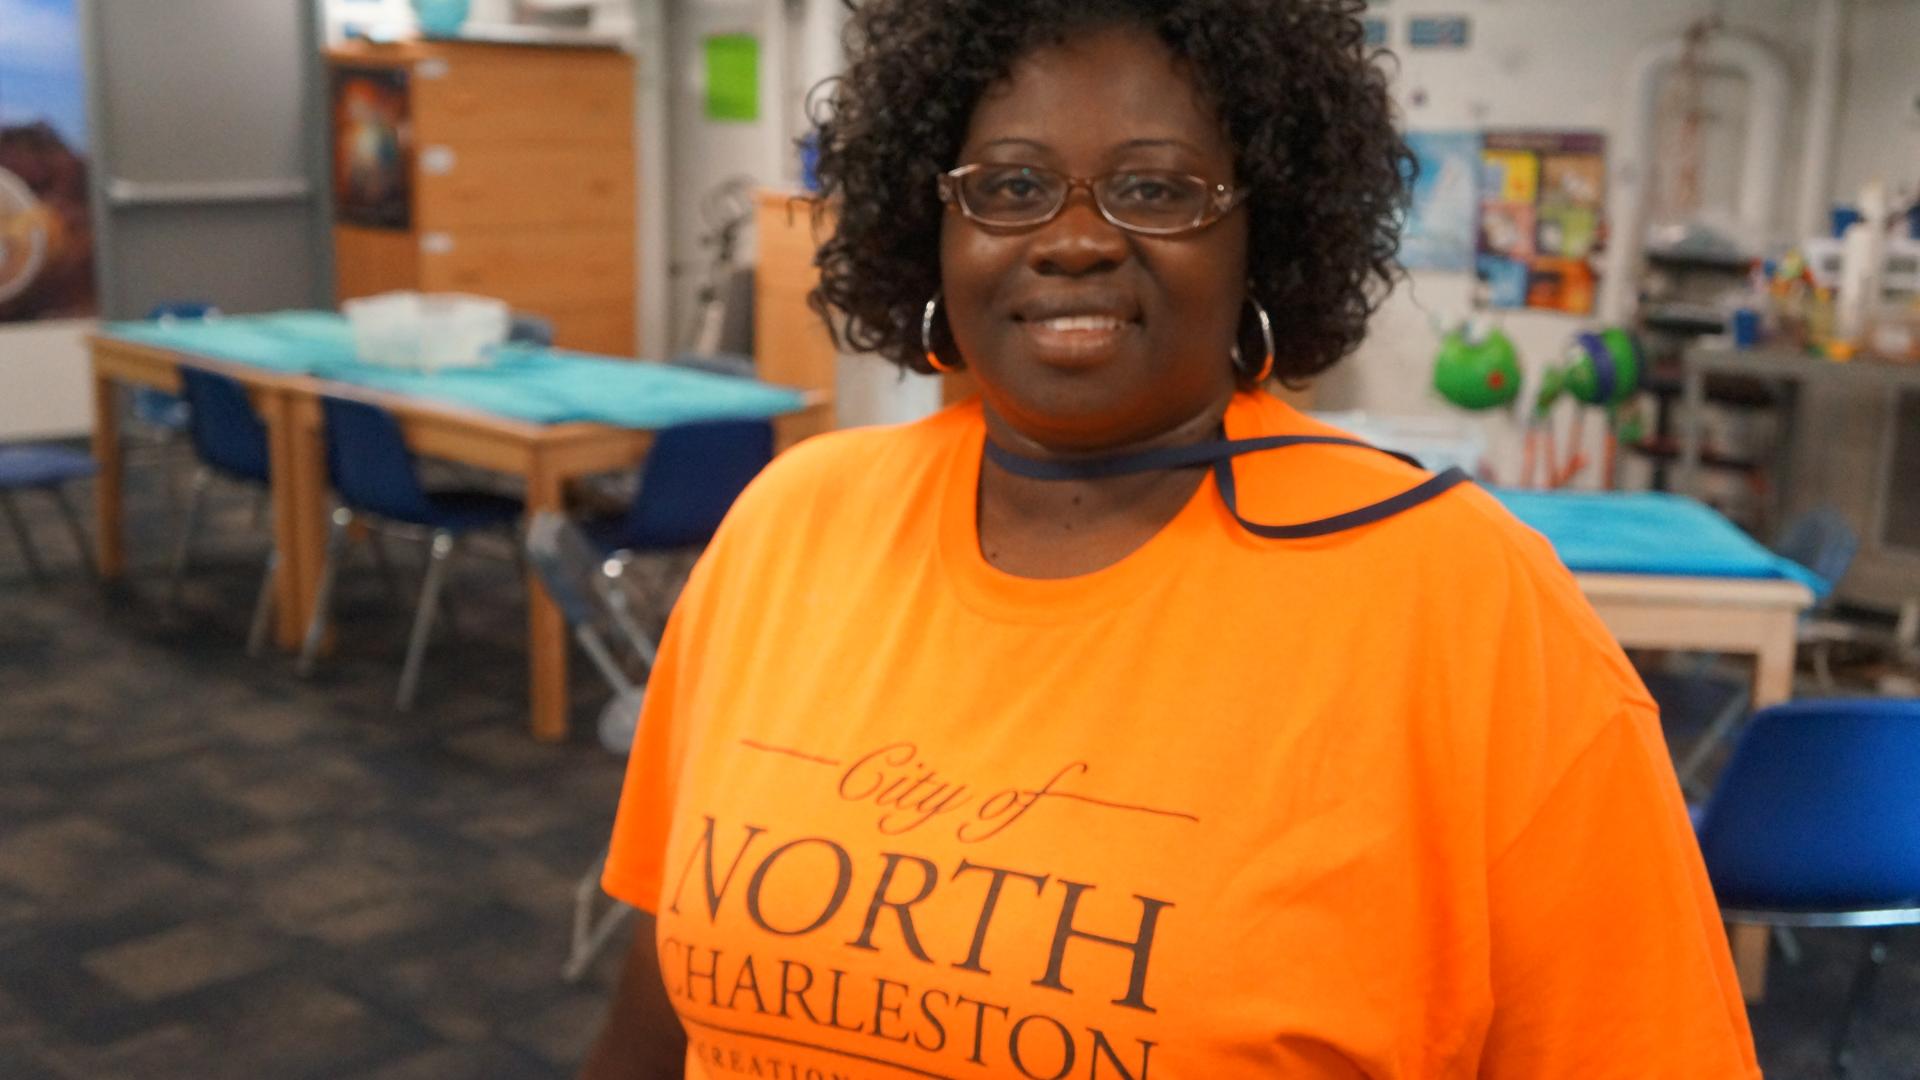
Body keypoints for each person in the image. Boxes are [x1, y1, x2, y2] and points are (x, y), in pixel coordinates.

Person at [582, 1, 1762, 1076]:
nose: (1076, 240)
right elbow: (661, 995)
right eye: (1008, 185)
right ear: (931, 224)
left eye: (1155, 190)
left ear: (1268, 233)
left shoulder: (1473, 611)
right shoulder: (790, 526)